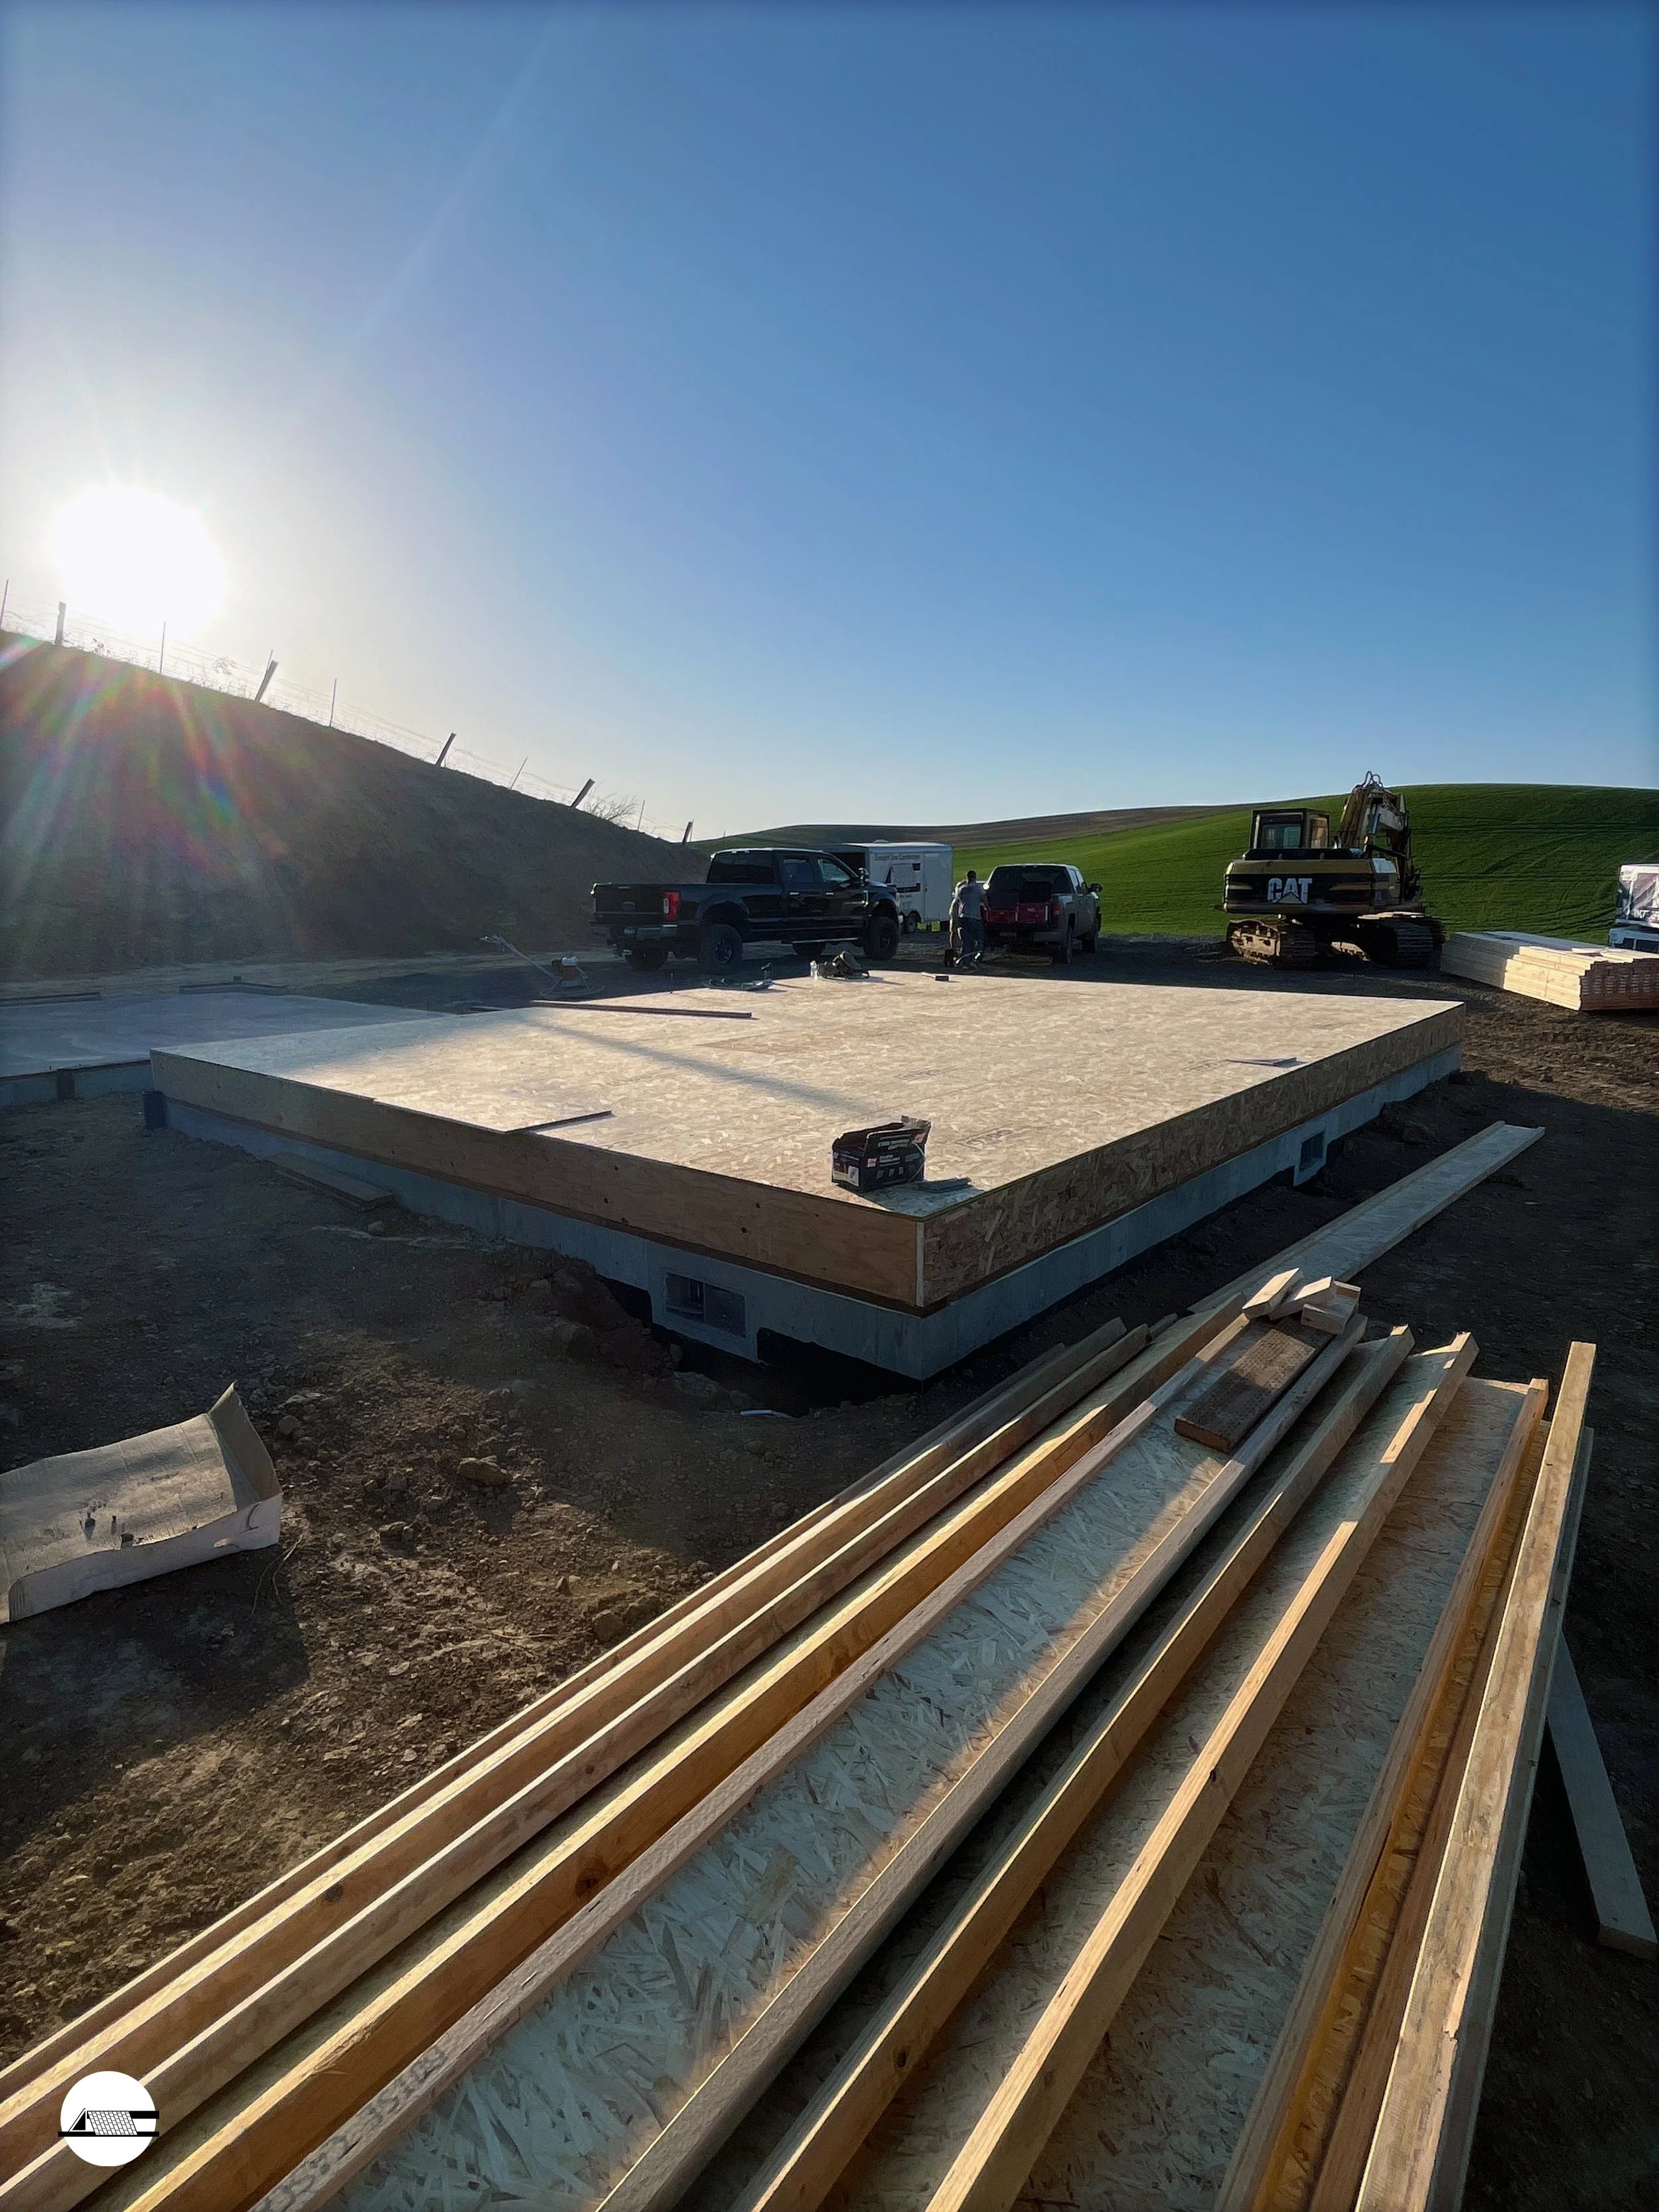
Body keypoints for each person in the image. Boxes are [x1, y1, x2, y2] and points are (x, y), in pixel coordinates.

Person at [951, 868, 987, 967]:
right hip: (975, 918)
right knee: (981, 941)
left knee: (967, 941)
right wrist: (987, 907)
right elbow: (985, 901)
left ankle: (965, 961)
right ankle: (975, 958)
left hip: (964, 917)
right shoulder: (978, 888)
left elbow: (957, 901)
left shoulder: (961, 889)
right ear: (975, 878)